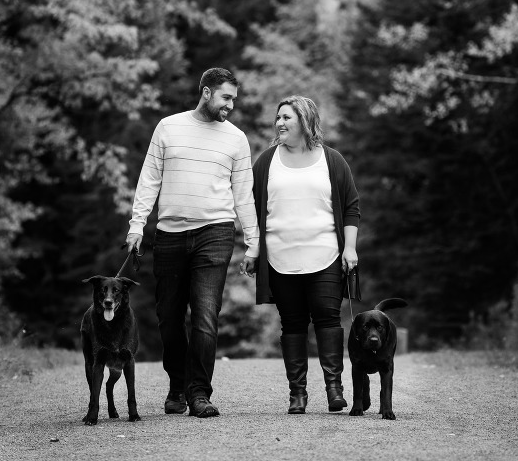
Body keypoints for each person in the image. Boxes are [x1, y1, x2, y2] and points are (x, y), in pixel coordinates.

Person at [125, 67, 259, 418]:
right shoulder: (169, 127)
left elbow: (244, 196)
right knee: (169, 317)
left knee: (204, 315)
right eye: (226, 97)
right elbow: (149, 179)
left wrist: (253, 242)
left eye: (234, 99)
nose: (230, 105)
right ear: (206, 92)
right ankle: (177, 386)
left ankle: (199, 393)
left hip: (215, 232)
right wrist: (137, 226)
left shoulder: (236, 139)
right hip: (169, 235)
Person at [250, 95, 359, 414]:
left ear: (305, 121)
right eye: (278, 117)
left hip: (325, 256)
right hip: (280, 259)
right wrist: (253, 247)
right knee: (293, 324)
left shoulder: (332, 160)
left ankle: (334, 389)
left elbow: (351, 206)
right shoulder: (267, 161)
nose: (280, 123)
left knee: (327, 319)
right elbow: (251, 208)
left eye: (287, 117)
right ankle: (297, 394)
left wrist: (350, 248)